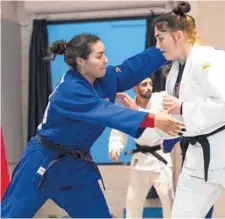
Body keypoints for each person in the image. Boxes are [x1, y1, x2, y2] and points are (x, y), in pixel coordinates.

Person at [1, 33, 185, 218]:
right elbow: (107, 112)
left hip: (77, 166)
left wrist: (165, 51)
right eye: (99, 56)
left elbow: (132, 68)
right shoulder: (69, 89)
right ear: (81, 61)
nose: (105, 60)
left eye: (104, 54)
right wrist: (153, 119)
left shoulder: (105, 78)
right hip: (43, 162)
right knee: (11, 215)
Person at [153, 1, 225, 218]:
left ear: (178, 36)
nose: (158, 46)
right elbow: (174, 118)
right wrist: (152, 123)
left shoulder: (212, 59)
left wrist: (183, 107)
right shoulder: (175, 71)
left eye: (160, 38)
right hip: (200, 156)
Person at [109, 77, 176, 218]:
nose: (149, 87)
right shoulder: (128, 107)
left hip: (160, 157)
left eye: (151, 84)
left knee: (169, 199)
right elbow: (119, 130)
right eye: (144, 84)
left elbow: (155, 120)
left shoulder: (160, 100)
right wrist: (115, 147)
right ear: (135, 88)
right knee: (133, 201)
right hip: (140, 158)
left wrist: (137, 110)